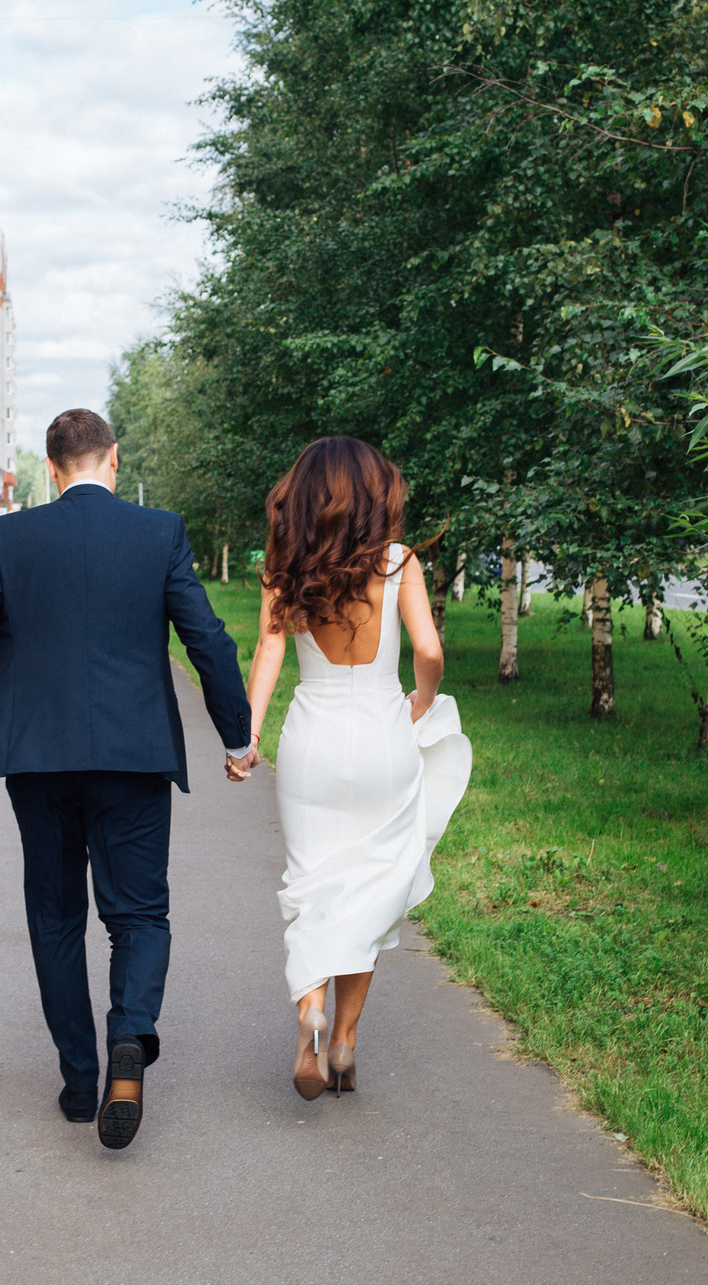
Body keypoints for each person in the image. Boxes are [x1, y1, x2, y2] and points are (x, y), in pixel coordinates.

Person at [0, 409, 253, 1149]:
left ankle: (81, 1082)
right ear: (113, 459)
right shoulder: (159, 532)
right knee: (138, 913)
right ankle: (130, 1037)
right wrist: (235, 736)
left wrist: (3, 651)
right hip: (134, 754)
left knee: (56, 915)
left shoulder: (11, 536)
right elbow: (207, 638)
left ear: (51, 467)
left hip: (36, 760)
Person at [229, 437, 472, 1099]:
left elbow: (268, 656)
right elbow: (428, 648)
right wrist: (420, 702)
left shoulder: (287, 566)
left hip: (313, 738)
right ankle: (343, 1040)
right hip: (382, 736)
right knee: (370, 887)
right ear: (375, 494)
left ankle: (308, 1008)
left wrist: (247, 736)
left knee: (311, 883)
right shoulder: (399, 563)